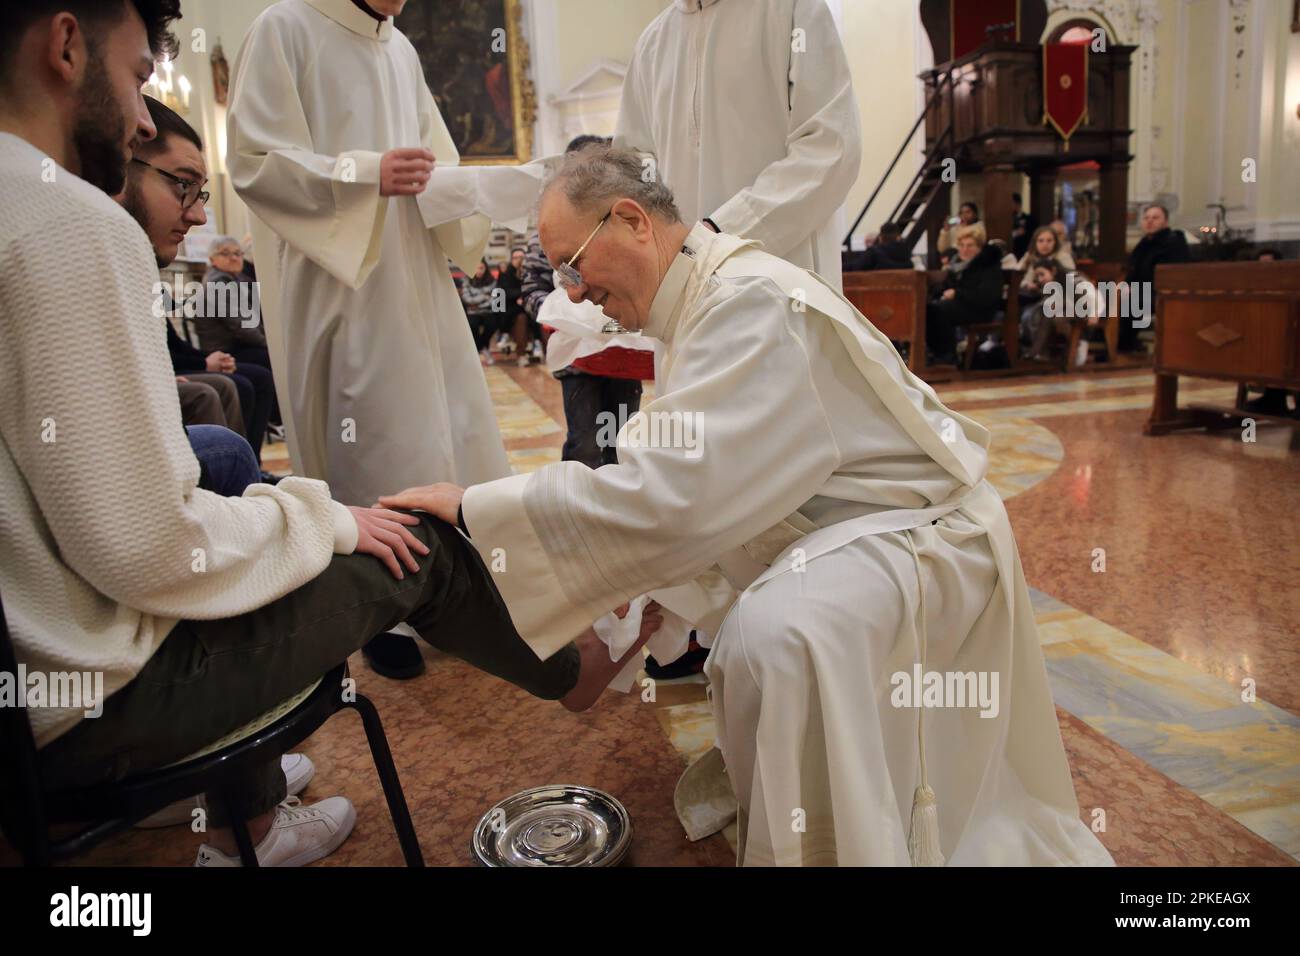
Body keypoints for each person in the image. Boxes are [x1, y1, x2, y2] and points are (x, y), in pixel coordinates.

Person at [0, 0, 659, 868]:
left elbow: (439, 185)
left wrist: (538, 183)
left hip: (46, 665)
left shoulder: (399, 51)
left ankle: (251, 780)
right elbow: (148, 543)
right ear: (65, 44)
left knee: (420, 454)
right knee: (395, 516)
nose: (136, 117)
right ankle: (544, 670)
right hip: (338, 302)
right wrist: (362, 174)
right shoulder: (82, 211)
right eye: (135, 78)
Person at [379, 145, 1113, 867]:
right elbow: (699, 478)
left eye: (574, 265)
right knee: (695, 570)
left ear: (632, 220)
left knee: (774, 632)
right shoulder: (701, 297)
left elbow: (671, 497)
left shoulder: (747, 303)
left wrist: (476, 505)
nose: (570, 293)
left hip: (918, 536)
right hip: (837, 516)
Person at [227, 0, 519, 680]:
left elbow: (434, 163)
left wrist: (474, 190)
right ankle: (380, 612)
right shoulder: (285, 27)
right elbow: (254, 161)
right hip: (339, 280)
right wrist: (363, 175)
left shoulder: (401, 50)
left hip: (414, 277)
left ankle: (454, 597)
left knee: (448, 432)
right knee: (373, 442)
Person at [614, 0, 862, 291]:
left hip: (781, 283)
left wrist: (722, 231)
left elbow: (831, 148)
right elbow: (633, 163)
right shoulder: (652, 43)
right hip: (680, 288)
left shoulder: (792, 8)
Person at [925, 227, 1004, 365]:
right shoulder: (958, 265)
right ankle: (938, 353)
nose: (964, 249)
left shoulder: (987, 265)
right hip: (964, 305)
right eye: (961, 245)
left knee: (939, 310)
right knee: (928, 309)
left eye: (970, 245)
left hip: (981, 309)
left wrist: (957, 293)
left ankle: (947, 355)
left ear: (979, 247)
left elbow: (986, 296)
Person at [1121, 203, 1189, 352]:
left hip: (1160, 294)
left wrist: (1134, 289)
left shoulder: (1173, 242)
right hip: (1140, 291)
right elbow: (1132, 270)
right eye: (1146, 218)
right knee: (1105, 296)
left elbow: (1169, 275)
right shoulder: (1144, 243)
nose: (1149, 221)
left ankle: (1122, 346)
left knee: (1132, 304)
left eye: (1155, 218)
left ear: (1165, 221)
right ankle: (1100, 343)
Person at [459, 258, 500, 365]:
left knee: (493, 324)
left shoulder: (493, 281)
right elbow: (467, 299)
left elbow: (495, 301)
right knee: (472, 324)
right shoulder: (466, 281)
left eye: (481, 268)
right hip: (473, 313)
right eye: (477, 268)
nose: (479, 271)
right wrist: (485, 297)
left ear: (486, 269)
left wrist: (476, 303)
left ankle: (480, 348)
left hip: (488, 311)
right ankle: (484, 349)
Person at [844, 221, 913, 272]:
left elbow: (857, 266)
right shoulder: (907, 254)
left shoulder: (874, 253)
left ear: (880, 238)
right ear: (898, 237)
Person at [1010, 192, 1037, 260]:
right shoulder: (1007, 220)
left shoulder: (1028, 219)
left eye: (1011, 203)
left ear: (1017, 204)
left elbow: (1031, 235)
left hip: (1023, 252)